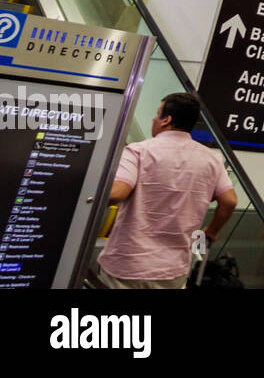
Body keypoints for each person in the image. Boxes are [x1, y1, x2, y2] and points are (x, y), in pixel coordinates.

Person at [92, 92, 237, 289]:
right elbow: (229, 201)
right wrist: (211, 232)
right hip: (172, 270)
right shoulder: (211, 159)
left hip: (127, 265)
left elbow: (117, 193)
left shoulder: (138, 151)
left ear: (166, 120)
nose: (153, 118)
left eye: (157, 113)